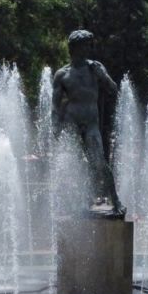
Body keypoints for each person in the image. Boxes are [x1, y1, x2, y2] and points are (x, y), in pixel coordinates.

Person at [51, 30, 123, 217]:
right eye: (85, 45)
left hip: (91, 124)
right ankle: (81, 202)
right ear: (75, 48)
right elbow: (55, 105)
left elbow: (113, 90)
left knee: (99, 162)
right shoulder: (62, 74)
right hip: (71, 122)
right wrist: (55, 128)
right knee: (76, 163)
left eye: (89, 45)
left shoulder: (95, 68)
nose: (88, 49)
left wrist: (103, 76)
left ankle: (115, 201)